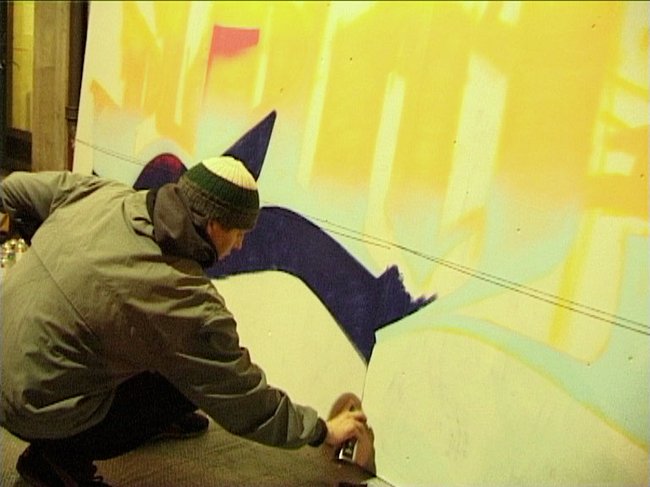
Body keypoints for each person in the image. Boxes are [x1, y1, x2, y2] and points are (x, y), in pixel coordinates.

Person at [0, 156, 369, 487]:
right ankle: (58, 461)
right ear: (214, 225)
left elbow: (13, 189)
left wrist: (50, 254)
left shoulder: (104, 195)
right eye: (239, 233)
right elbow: (244, 398)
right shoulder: (185, 299)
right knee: (192, 382)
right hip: (31, 408)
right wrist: (322, 431)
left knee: (169, 360)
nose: (240, 245)